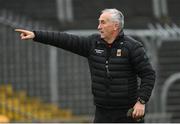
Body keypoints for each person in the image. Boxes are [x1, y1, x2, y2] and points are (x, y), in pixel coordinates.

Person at [15, 8, 156, 123]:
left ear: (115, 26)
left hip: (127, 113)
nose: (98, 26)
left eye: (103, 22)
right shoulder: (92, 44)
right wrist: (36, 35)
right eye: (99, 22)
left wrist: (141, 102)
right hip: (102, 113)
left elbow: (148, 74)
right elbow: (65, 40)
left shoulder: (133, 47)